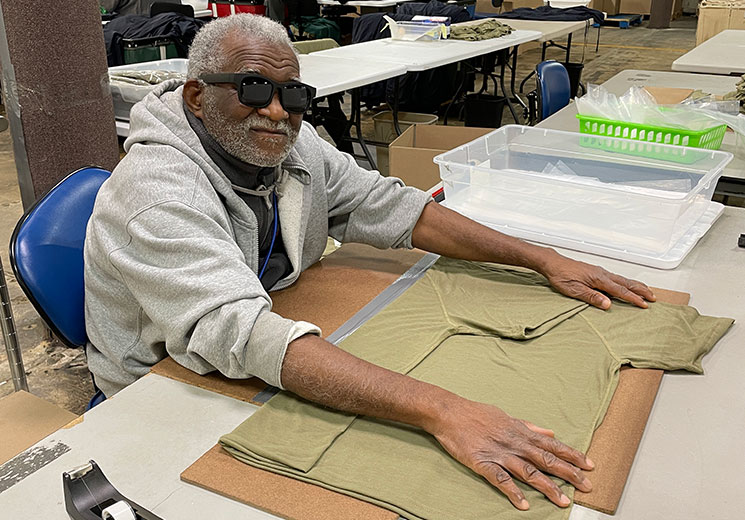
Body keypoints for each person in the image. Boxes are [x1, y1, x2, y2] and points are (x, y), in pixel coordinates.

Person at [85, 14, 655, 511]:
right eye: (254, 88)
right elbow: (241, 335)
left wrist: (540, 259)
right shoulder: (158, 193)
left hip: (268, 320)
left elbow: (392, 207)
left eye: (295, 93)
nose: (280, 112)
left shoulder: (291, 144)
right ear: (197, 97)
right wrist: (443, 410)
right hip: (161, 382)